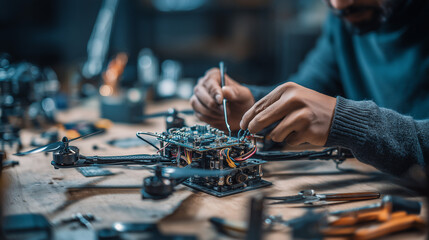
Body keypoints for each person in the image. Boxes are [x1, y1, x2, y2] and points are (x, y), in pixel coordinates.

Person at [190, 0, 429, 177]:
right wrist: (251, 105)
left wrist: (349, 121)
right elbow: (309, 88)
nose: (338, 4)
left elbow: (333, 115)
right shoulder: (345, 16)